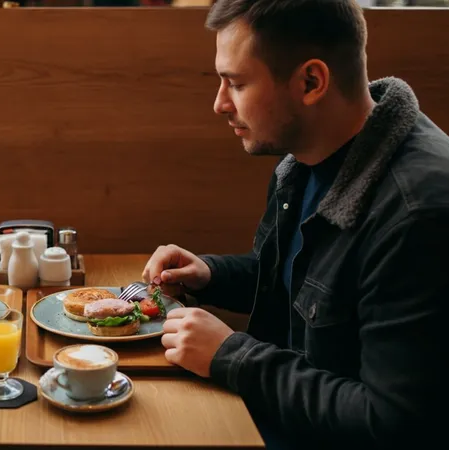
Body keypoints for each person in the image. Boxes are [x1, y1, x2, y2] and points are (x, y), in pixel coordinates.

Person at [143, 1, 448, 448]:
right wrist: (211, 275)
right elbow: (307, 289)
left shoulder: (418, 215)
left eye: (237, 83)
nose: (219, 104)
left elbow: (391, 422)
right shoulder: (307, 157)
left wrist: (232, 355)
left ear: (311, 82)